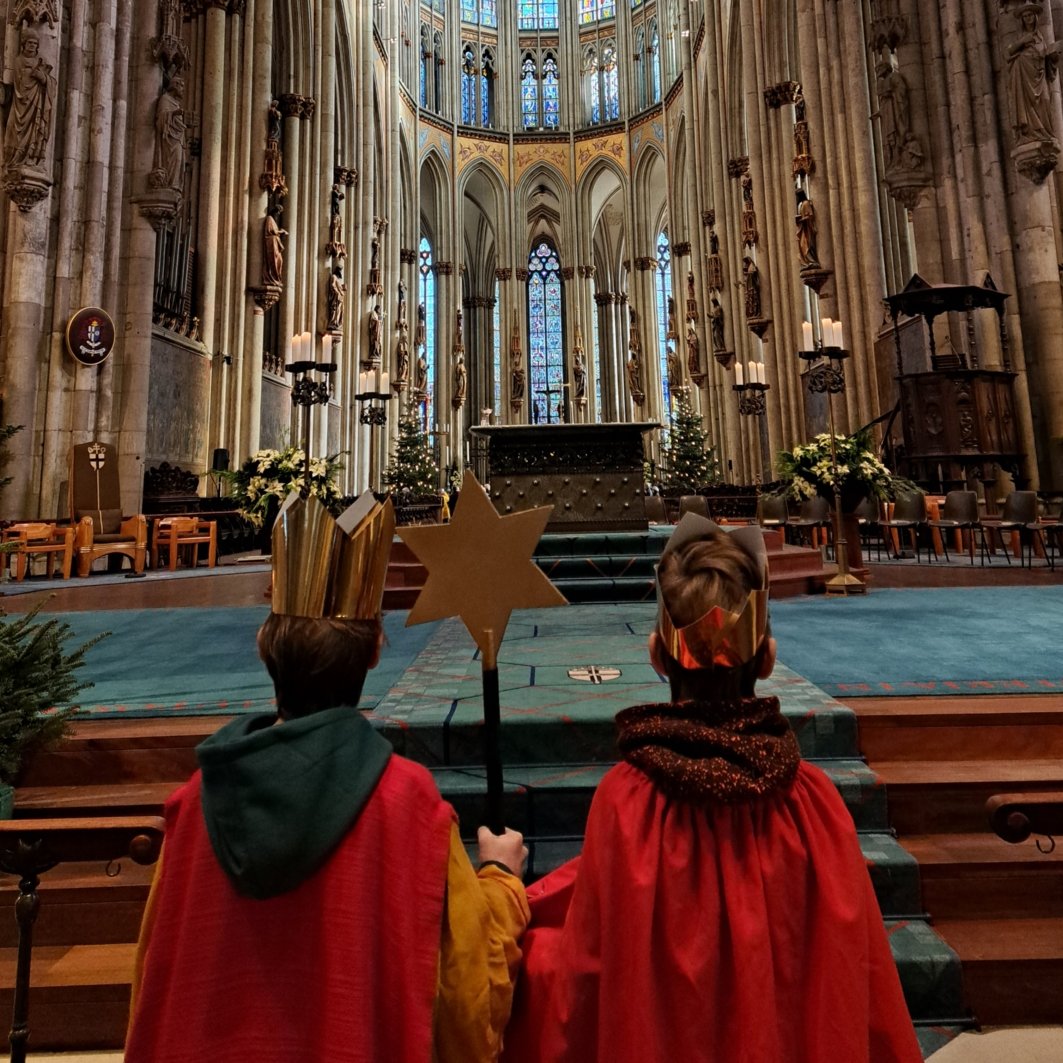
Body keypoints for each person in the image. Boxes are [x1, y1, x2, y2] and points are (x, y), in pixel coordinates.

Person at [502, 516, 922, 1063]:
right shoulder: (816, 800)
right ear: (768, 659)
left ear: (655, 655)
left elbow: (588, 975)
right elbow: (858, 973)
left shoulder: (625, 799)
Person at [126, 494, 530, 1063]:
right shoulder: (407, 804)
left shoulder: (194, 805)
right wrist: (501, 881)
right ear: (372, 655)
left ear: (264, 648)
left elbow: (151, 989)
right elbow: (467, 1011)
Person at [6, 32, 55, 168]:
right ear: (24, 44)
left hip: (36, 101)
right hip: (21, 101)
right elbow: (17, 81)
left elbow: (51, 83)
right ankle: (16, 158)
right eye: (30, 43)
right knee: (17, 128)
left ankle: (32, 156)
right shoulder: (18, 60)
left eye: (35, 43)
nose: (32, 46)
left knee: (36, 126)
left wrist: (42, 77)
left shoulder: (41, 61)